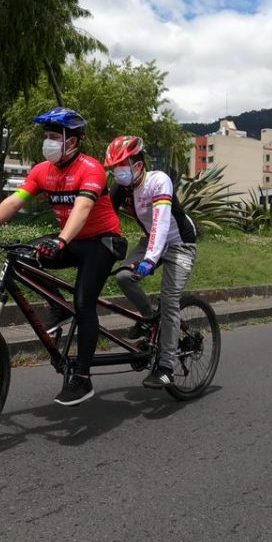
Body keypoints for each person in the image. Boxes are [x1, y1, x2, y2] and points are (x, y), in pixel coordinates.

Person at [0, 107, 125, 406]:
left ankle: (82, 378)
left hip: (103, 242)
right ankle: (57, 308)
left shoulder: (91, 169)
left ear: (72, 141)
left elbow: (83, 208)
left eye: (54, 137)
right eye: (46, 136)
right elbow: (14, 201)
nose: (47, 142)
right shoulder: (42, 170)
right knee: (22, 256)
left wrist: (61, 240)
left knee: (84, 303)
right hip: (72, 240)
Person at [104, 135, 198, 390]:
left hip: (180, 244)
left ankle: (166, 367)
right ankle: (147, 318)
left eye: (123, 165)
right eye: (115, 168)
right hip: (151, 241)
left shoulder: (159, 181)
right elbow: (102, 215)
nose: (118, 172)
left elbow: (161, 223)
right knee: (124, 277)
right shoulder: (122, 189)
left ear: (139, 164)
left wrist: (149, 261)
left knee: (169, 302)